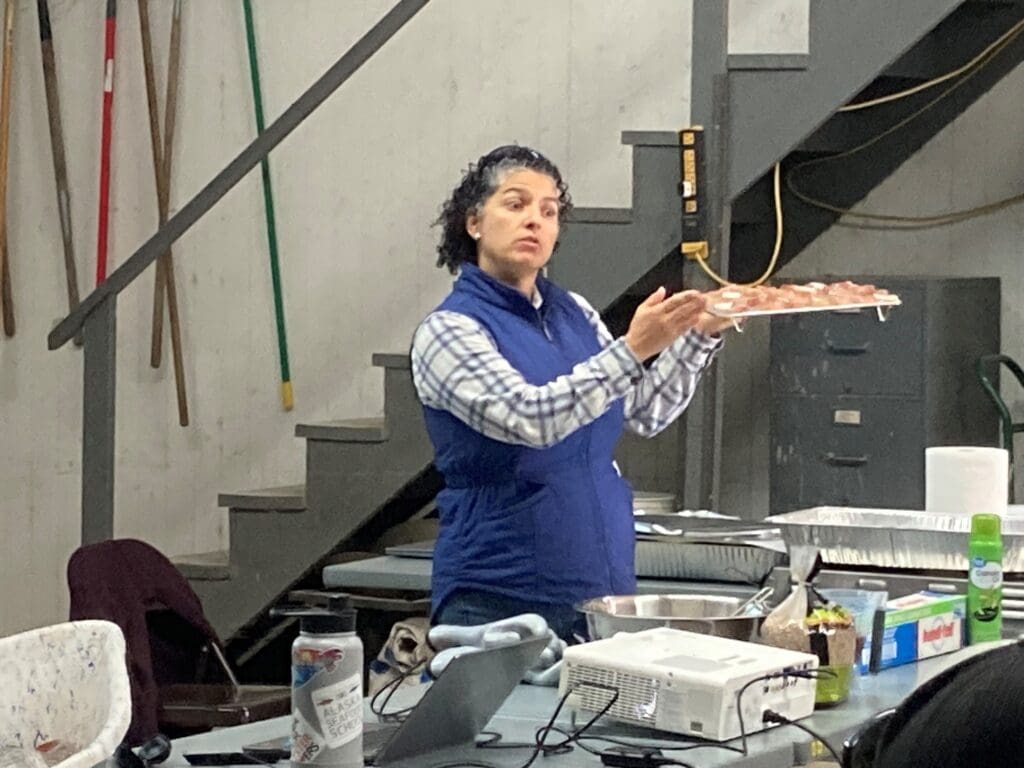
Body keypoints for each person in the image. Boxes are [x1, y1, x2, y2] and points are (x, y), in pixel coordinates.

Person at [410, 144, 732, 640]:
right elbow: (531, 419)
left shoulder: (574, 313)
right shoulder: (450, 331)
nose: (534, 222)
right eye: (515, 205)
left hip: (601, 591)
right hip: (501, 599)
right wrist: (632, 349)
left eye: (549, 210)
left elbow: (645, 411)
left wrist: (699, 335)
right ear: (474, 222)